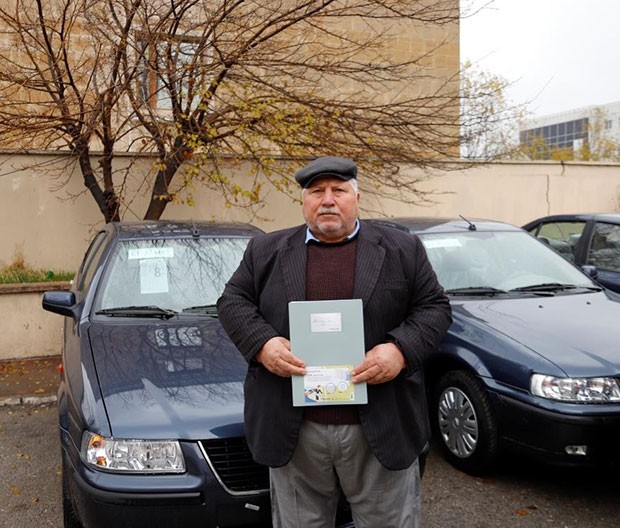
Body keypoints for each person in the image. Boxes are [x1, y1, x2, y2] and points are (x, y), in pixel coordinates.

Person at [217, 156, 452, 528]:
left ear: (357, 198)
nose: (327, 200)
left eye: (338, 190)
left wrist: (400, 350)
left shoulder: (402, 249)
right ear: (303, 202)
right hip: (296, 429)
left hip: (381, 422)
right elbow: (232, 302)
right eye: (317, 191)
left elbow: (435, 307)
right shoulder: (265, 251)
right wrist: (263, 345)